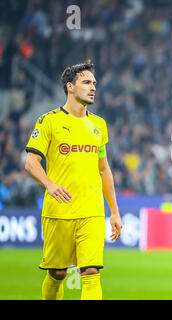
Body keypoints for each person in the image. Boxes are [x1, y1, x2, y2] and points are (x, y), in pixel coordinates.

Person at [24, 60, 122, 300]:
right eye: (86, 82)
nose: (93, 88)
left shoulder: (98, 125)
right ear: (70, 86)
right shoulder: (49, 122)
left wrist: (115, 212)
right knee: (57, 273)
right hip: (59, 211)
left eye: (94, 83)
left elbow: (104, 170)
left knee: (91, 271)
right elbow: (31, 162)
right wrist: (50, 184)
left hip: (91, 211)